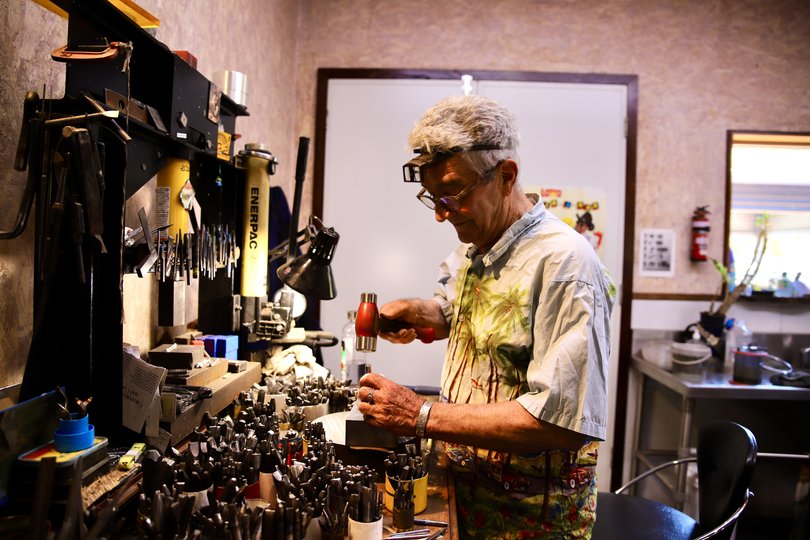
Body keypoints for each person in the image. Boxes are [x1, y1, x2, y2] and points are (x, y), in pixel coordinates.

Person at [356, 95, 616, 538]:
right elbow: (472, 319)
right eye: (431, 198)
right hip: (466, 496)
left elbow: (561, 422)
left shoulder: (566, 266)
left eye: (452, 195)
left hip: (527, 521)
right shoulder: (478, 244)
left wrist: (420, 413)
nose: (440, 214)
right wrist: (425, 314)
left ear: (506, 176)